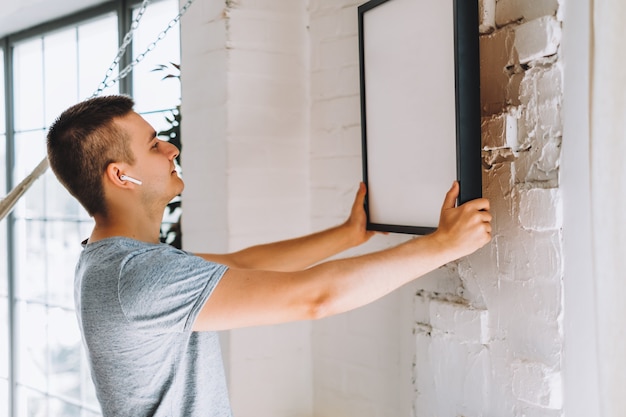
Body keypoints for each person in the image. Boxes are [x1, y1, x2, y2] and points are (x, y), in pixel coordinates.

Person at [46, 95, 492, 417]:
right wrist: (441, 245)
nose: (171, 148)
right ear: (121, 175)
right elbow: (313, 298)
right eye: (153, 145)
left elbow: (241, 264)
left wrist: (346, 235)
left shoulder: (116, 263)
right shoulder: (137, 277)